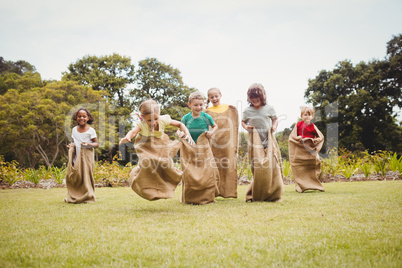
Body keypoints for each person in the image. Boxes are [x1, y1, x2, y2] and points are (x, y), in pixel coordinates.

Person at [119, 99, 194, 201]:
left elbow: (180, 124)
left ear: (159, 115)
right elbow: (133, 131)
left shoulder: (163, 120)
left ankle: (168, 184)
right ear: (143, 118)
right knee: (147, 161)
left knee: (165, 163)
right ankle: (138, 171)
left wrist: (187, 133)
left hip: (160, 144)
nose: (153, 122)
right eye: (149, 120)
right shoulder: (141, 124)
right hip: (145, 145)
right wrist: (127, 137)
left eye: (156, 118)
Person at [241, 83, 284, 202]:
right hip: (255, 143)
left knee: (272, 166)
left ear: (262, 97)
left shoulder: (269, 108)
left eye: (257, 98)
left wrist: (274, 126)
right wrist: (246, 127)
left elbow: (275, 119)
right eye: (252, 98)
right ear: (249, 98)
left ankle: (273, 193)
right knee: (258, 168)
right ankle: (256, 193)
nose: (254, 100)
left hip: (268, 141)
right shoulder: (247, 111)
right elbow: (243, 121)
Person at [179, 92, 220, 204]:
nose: (198, 107)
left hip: (203, 147)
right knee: (190, 171)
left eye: (201, 105)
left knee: (207, 170)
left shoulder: (206, 117)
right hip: (190, 147)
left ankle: (208, 195)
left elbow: (215, 126)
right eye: (195, 105)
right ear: (189, 105)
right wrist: (180, 134)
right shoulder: (186, 118)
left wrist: (211, 133)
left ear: (204, 105)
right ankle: (189, 197)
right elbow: (179, 129)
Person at [205, 87, 239, 198]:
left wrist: (234, 110)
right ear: (209, 99)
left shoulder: (227, 107)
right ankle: (213, 191)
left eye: (216, 96)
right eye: (211, 97)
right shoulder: (208, 111)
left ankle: (228, 192)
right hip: (214, 142)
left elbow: (233, 123)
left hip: (226, 142)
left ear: (220, 95)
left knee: (228, 164)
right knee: (213, 165)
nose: (214, 98)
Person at [65, 108, 98, 203]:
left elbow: (96, 144)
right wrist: (70, 146)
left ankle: (88, 196)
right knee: (75, 176)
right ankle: (75, 195)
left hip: (87, 158)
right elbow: (73, 141)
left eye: (84, 116)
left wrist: (88, 145)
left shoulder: (91, 130)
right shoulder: (74, 130)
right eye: (79, 116)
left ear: (88, 118)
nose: (81, 118)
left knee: (86, 176)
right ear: (76, 117)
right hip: (77, 157)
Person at [288, 106, 325, 193]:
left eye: (310, 115)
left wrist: (317, 140)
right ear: (301, 116)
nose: (307, 116)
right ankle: (300, 185)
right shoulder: (298, 125)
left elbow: (320, 136)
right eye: (305, 115)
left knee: (316, 162)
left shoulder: (313, 126)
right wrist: (298, 137)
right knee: (299, 166)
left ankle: (313, 183)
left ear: (312, 116)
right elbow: (293, 136)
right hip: (301, 148)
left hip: (310, 149)